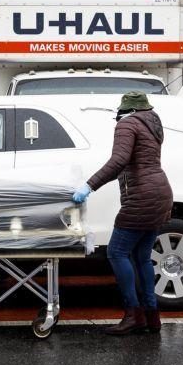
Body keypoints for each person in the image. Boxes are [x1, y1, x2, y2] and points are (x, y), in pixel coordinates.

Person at [72, 91, 173, 336]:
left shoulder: (127, 124)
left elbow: (118, 161)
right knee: (141, 257)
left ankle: (132, 315)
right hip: (160, 194)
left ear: (124, 110)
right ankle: (152, 317)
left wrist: (89, 185)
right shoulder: (153, 123)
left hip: (142, 198)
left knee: (117, 252)